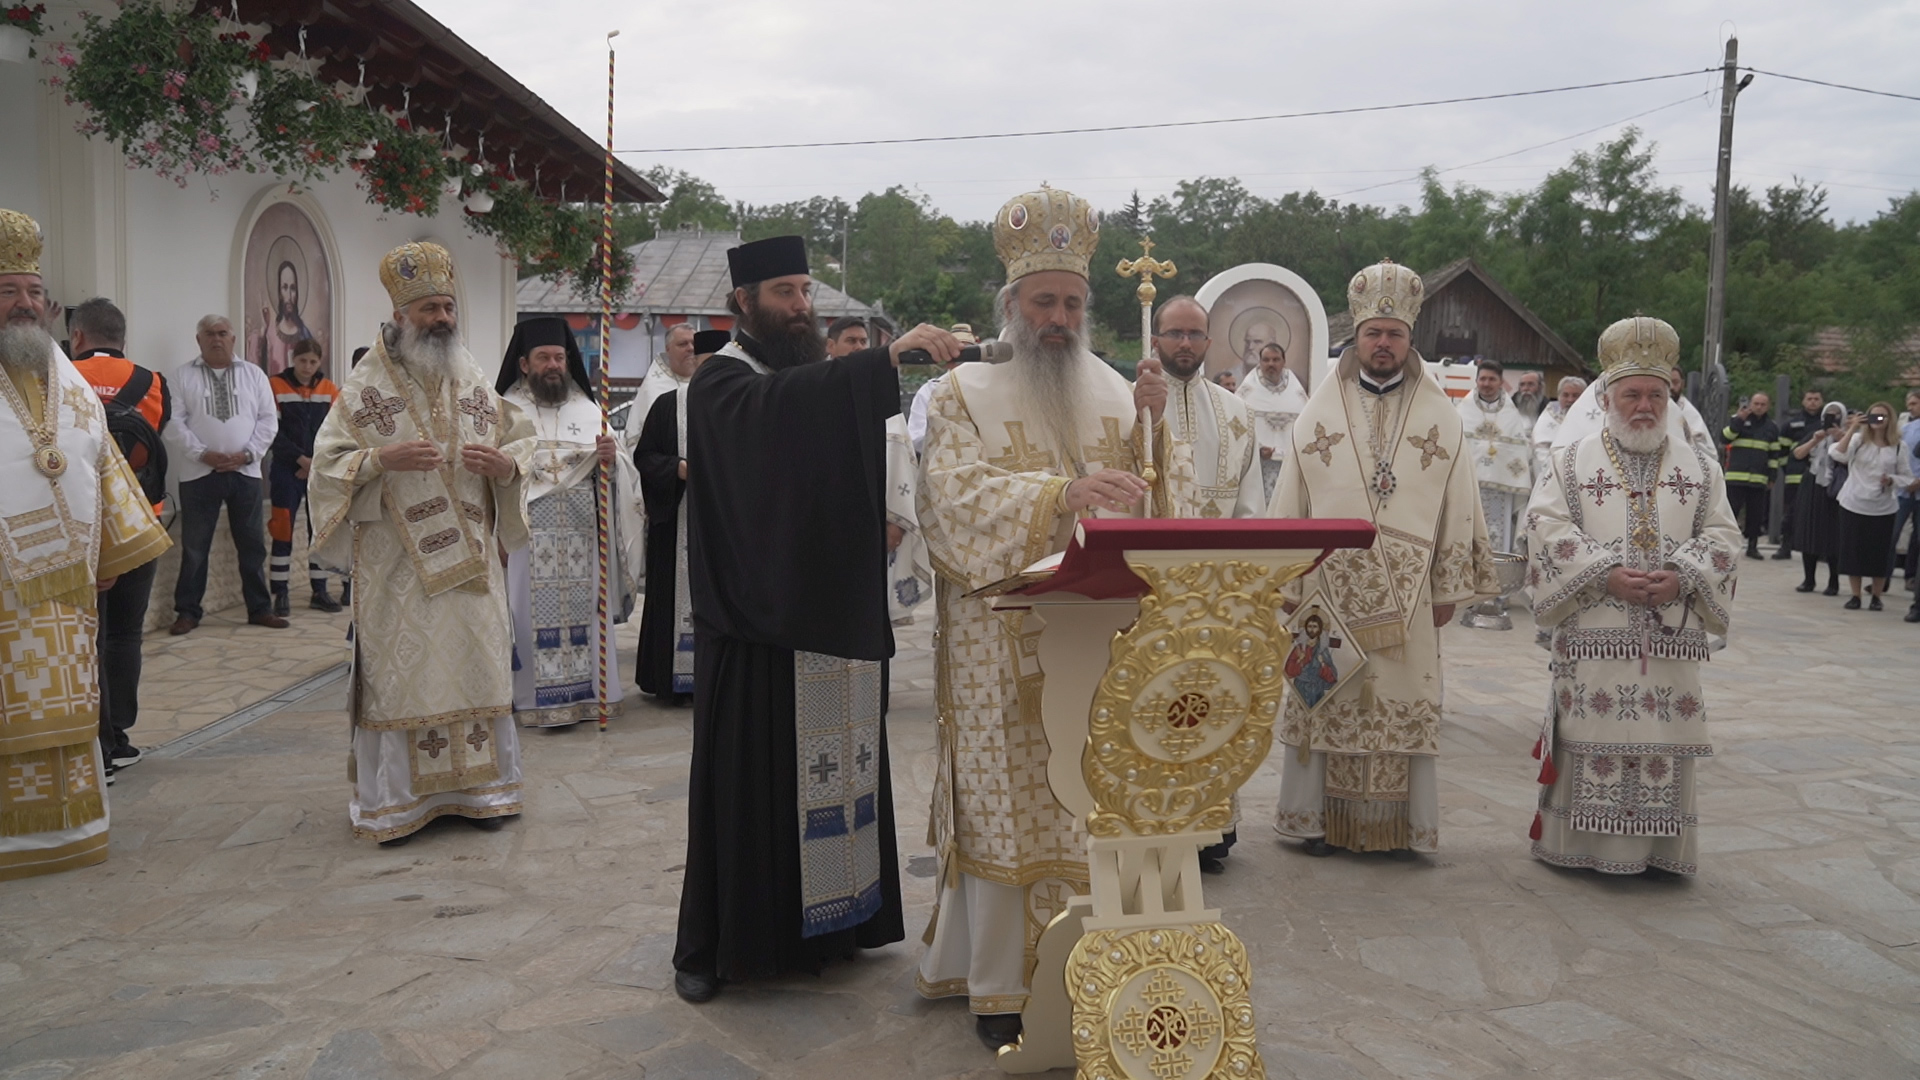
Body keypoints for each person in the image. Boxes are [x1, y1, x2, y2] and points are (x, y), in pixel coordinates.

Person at [914, 187, 1194, 1049]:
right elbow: (952, 503)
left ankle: (1090, 965)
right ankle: (1001, 983)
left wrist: (1154, 439)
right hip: (997, 646)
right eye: (1044, 302)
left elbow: (1165, 520)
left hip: (1095, 645)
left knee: (1086, 802)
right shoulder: (961, 391)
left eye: (1072, 303)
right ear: (1013, 304)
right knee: (1009, 804)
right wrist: (1062, 495)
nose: (1060, 318)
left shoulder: (1120, 392)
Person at [672, 236, 938, 1005]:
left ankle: (838, 924)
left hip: (824, 610)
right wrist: (879, 363)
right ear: (743, 303)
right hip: (757, 625)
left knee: (837, 782)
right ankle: (722, 944)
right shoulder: (722, 380)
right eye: (784, 292)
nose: (800, 306)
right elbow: (774, 418)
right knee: (747, 789)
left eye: (804, 291)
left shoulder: (809, 377)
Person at [307, 241, 536, 845]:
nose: (442, 319)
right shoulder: (364, 391)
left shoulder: (471, 375)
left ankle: (483, 792)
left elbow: (523, 439)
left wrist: (505, 466)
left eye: (448, 307)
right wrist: (381, 457)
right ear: (401, 316)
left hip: (472, 570)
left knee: (476, 667)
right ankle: (400, 805)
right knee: (402, 679)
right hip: (397, 568)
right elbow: (325, 467)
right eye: (430, 308)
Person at [1270, 259, 1496, 859]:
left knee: (1398, 699)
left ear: (1409, 340)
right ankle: (1312, 821)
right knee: (1323, 697)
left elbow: (1459, 502)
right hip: (1325, 586)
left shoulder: (1441, 416)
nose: (1384, 343)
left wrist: (1449, 586)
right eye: (1374, 333)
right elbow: (1291, 493)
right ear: (1358, 339)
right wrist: (1284, 578)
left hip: (1413, 588)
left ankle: (1394, 829)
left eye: (1394, 334)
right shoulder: (1317, 412)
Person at [1526, 316, 1740, 877]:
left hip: (1670, 638)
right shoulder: (1570, 462)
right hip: (1595, 633)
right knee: (1593, 733)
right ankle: (1580, 849)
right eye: (1632, 394)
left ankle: (1660, 856)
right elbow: (1545, 526)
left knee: (1662, 740)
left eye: (1655, 394)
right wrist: (1603, 573)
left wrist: (1684, 575)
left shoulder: (1700, 467)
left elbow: (1724, 536)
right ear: (1609, 398)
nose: (1644, 405)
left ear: (1671, 397)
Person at [0, 209, 170, 879]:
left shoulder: (67, 377)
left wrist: (106, 551)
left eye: (34, 293)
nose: (24, 304)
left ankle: (67, 828)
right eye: (9, 290)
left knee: (71, 703)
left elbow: (103, 465)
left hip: (66, 586)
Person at [497, 316, 640, 728]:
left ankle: (590, 697)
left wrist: (611, 463)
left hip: (583, 535)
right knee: (524, 615)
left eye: (559, 357)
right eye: (543, 358)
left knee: (586, 617)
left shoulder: (588, 409)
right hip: (526, 537)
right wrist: (496, 537)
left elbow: (619, 476)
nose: (553, 365)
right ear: (524, 364)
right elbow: (488, 480)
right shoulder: (504, 412)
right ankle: (530, 701)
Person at [69, 297, 170, 777]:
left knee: (89, 636)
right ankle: (122, 736)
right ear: (123, 340)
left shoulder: (59, 379)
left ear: (77, 337)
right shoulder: (153, 383)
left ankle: (98, 743)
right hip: (139, 524)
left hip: (81, 527)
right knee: (126, 633)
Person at [168, 314, 284, 634]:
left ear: (233, 339)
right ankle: (188, 612)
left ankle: (260, 609)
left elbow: (268, 421)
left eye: (222, 333)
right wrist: (202, 454)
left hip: (245, 471)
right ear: (199, 340)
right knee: (194, 547)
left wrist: (246, 454)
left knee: (252, 546)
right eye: (209, 334)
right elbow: (173, 422)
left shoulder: (254, 375)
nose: (216, 339)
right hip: (198, 473)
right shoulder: (181, 376)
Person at [633, 328, 729, 704]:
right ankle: (671, 680)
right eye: (703, 364)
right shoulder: (668, 404)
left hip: (727, 529)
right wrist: (676, 468)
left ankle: (722, 680)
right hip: (678, 523)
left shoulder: (743, 404)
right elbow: (645, 457)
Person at [1156, 295, 1263, 520]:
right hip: (1150, 552)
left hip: (1223, 552)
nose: (1185, 343)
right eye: (1175, 333)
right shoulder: (1131, 405)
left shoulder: (1239, 412)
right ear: (1155, 341)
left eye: (1195, 334)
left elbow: (1251, 504)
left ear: (1208, 342)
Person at [266, 337, 341, 616]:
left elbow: (334, 431)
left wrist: (315, 463)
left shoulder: (329, 389)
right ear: (292, 359)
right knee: (282, 528)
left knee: (319, 532)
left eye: (312, 361)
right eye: (302, 361)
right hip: (287, 469)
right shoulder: (275, 386)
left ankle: (319, 591)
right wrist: (300, 459)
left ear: (319, 362)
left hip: (319, 471)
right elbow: (273, 431)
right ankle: (280, 593)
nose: (307, 367)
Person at [1830, 401, 1918, 611]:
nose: (1877, 421)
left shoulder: (1898, 446)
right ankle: (1855, 595)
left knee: (1879, 552)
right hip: (1854, 502)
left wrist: (1892, 480)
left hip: (1883, 505)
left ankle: (1877, 596)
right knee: (1854, 550)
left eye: (1882, 417)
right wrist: (1853, 428)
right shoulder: (1859, 440)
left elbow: (1907, 476)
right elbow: (1837, 454)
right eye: (1873, 416)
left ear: (1890, 420)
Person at [1458, 358, 1534, 552]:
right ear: (1476, 381)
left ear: (1501, 382)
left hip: (1502, 488)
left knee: (1498, 538)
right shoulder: (1462, 411)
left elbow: (1520, 450)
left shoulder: (1511, 414)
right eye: (1482, 379)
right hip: (1468, 487)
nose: (1486, 384)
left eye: (1492, 379)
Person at [1238, 340, 1309, 503]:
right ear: (1260, 362)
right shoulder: (1247, 391)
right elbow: (1236, 426)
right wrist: (1258, 449)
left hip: (1289, 466)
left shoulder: (1296, 391)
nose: (1271, 364)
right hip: (1257, 467)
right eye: (1266, 360)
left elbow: (1306, 424)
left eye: (1276, 360)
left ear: (1283, 362)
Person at [1789, 401, 1848, 595]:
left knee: (1833, 534)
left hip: (1835, 487)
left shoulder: (1849, 436)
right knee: (1809, 529)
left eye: (1836, 416)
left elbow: (1849, 457)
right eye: (1828, 415)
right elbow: (1798, 454)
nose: (1831, 420)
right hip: (1812, 485)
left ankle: (1833, 581)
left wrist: (1842, 437)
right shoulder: (1816, 434)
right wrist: (1815, 440)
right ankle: (1809, 579)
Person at [1723, 392, 1783, 560]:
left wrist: (1772, 476)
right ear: (1750, 404)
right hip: (1736, 477)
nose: (1759, 407)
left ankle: (1752, 546)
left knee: (1755, 515)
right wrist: (1738, 420)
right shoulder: (1738, 421)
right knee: (1730, 513)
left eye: (1763, 404)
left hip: (1758, 478)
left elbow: (1774, 454)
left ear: (1768, 406)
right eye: (1756, 403)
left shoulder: (1771, 427)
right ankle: (1725, 546)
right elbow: (1724, 438)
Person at [623, 323, 696, 455]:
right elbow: (640, 446)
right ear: (668, 349)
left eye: (694, 343)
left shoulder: (708, 382)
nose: (690, 348)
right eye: (683, 344)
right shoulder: (653, 389)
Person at [906, 323, 978, 455]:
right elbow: (916, 438)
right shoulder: (930, 391)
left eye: (968, 354)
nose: (962, 361)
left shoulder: (985, 387)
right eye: (957, 355)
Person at [1775, 389, 1823, 560]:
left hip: (1820, 478)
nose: (1813, 402)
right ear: (1803, 401)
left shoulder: (1826, 424)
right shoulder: (1791, 425)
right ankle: (1785, 546)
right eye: (1809, 398)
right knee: (1791, 514)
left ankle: (1819, 551)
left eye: (1816, 398)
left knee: (1818, 515)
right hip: (1795, 478)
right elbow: (1781, 452)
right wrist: (1788, 469)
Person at [251, 259, 320, 377]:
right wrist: (262, 335)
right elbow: (256, 370)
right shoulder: (270, 332)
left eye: (293, 288)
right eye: (284, 287)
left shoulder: (304, 333)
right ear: (279, 292)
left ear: (297, 292)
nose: (288, 295)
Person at [1891, 389, 1920, 591]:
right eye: (1908, 404)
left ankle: (1911, 577)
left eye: (1914, 404)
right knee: (1891, 533)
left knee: (1917, 539)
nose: (1910, 408)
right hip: (1903, 490)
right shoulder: (1906, 428)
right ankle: (1882, 576)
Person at [1530, 375, 1586, 478]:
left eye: (1575, 395)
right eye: (1565, 395)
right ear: (1559, 396)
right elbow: (1541, 449)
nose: (1570, 400)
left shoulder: (1591, 418)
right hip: (1552, 473)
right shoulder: (1549, 416)